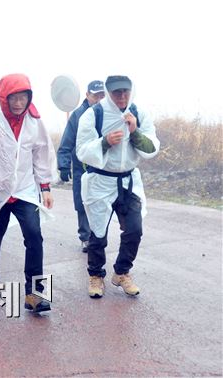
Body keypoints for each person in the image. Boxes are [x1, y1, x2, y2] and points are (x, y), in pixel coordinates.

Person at [0, 73, 56, 314]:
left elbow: (41, 153)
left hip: (25, 190)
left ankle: (34, 294)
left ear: (29, 98)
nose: (18, 104)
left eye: (23, 98)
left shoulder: (34, 120)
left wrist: (45, 186)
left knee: (35, 236)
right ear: (4, 98)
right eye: (13, 98)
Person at [76, 75, 160, 299]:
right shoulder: (94, 114)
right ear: (109, 92)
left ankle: (122, 272)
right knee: (97, 231)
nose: (122, 96)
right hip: (100, 182)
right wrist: (104, 142)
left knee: (135, 229)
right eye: (116, 92)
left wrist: (134, 132)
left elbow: (152, 148)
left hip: (129, 181)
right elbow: (82, 150)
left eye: (125, 91)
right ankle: (95, 275)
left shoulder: (138, 113)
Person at [57, 80, 105, 253]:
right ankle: (85, 237)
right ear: (87, 95)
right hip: (81, 168)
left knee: (101, 202)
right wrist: (63, 166)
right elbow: (67, 142)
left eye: (102, 95)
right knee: (82, 202)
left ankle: (99, 235)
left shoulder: (109, 113)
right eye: (95, 95)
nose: (99, 99)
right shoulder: (77, 115)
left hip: (102, 167)